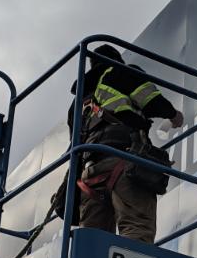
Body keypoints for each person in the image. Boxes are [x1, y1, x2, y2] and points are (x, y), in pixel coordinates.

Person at [68, 44, 184, 244]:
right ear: (116, 59)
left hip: (89, 175)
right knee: (137, 229)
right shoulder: (121, 72)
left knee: (92, 245)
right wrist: (174, 116)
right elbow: (152, 101)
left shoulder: (78, 102)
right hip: (124, 161)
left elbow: (75, 144)